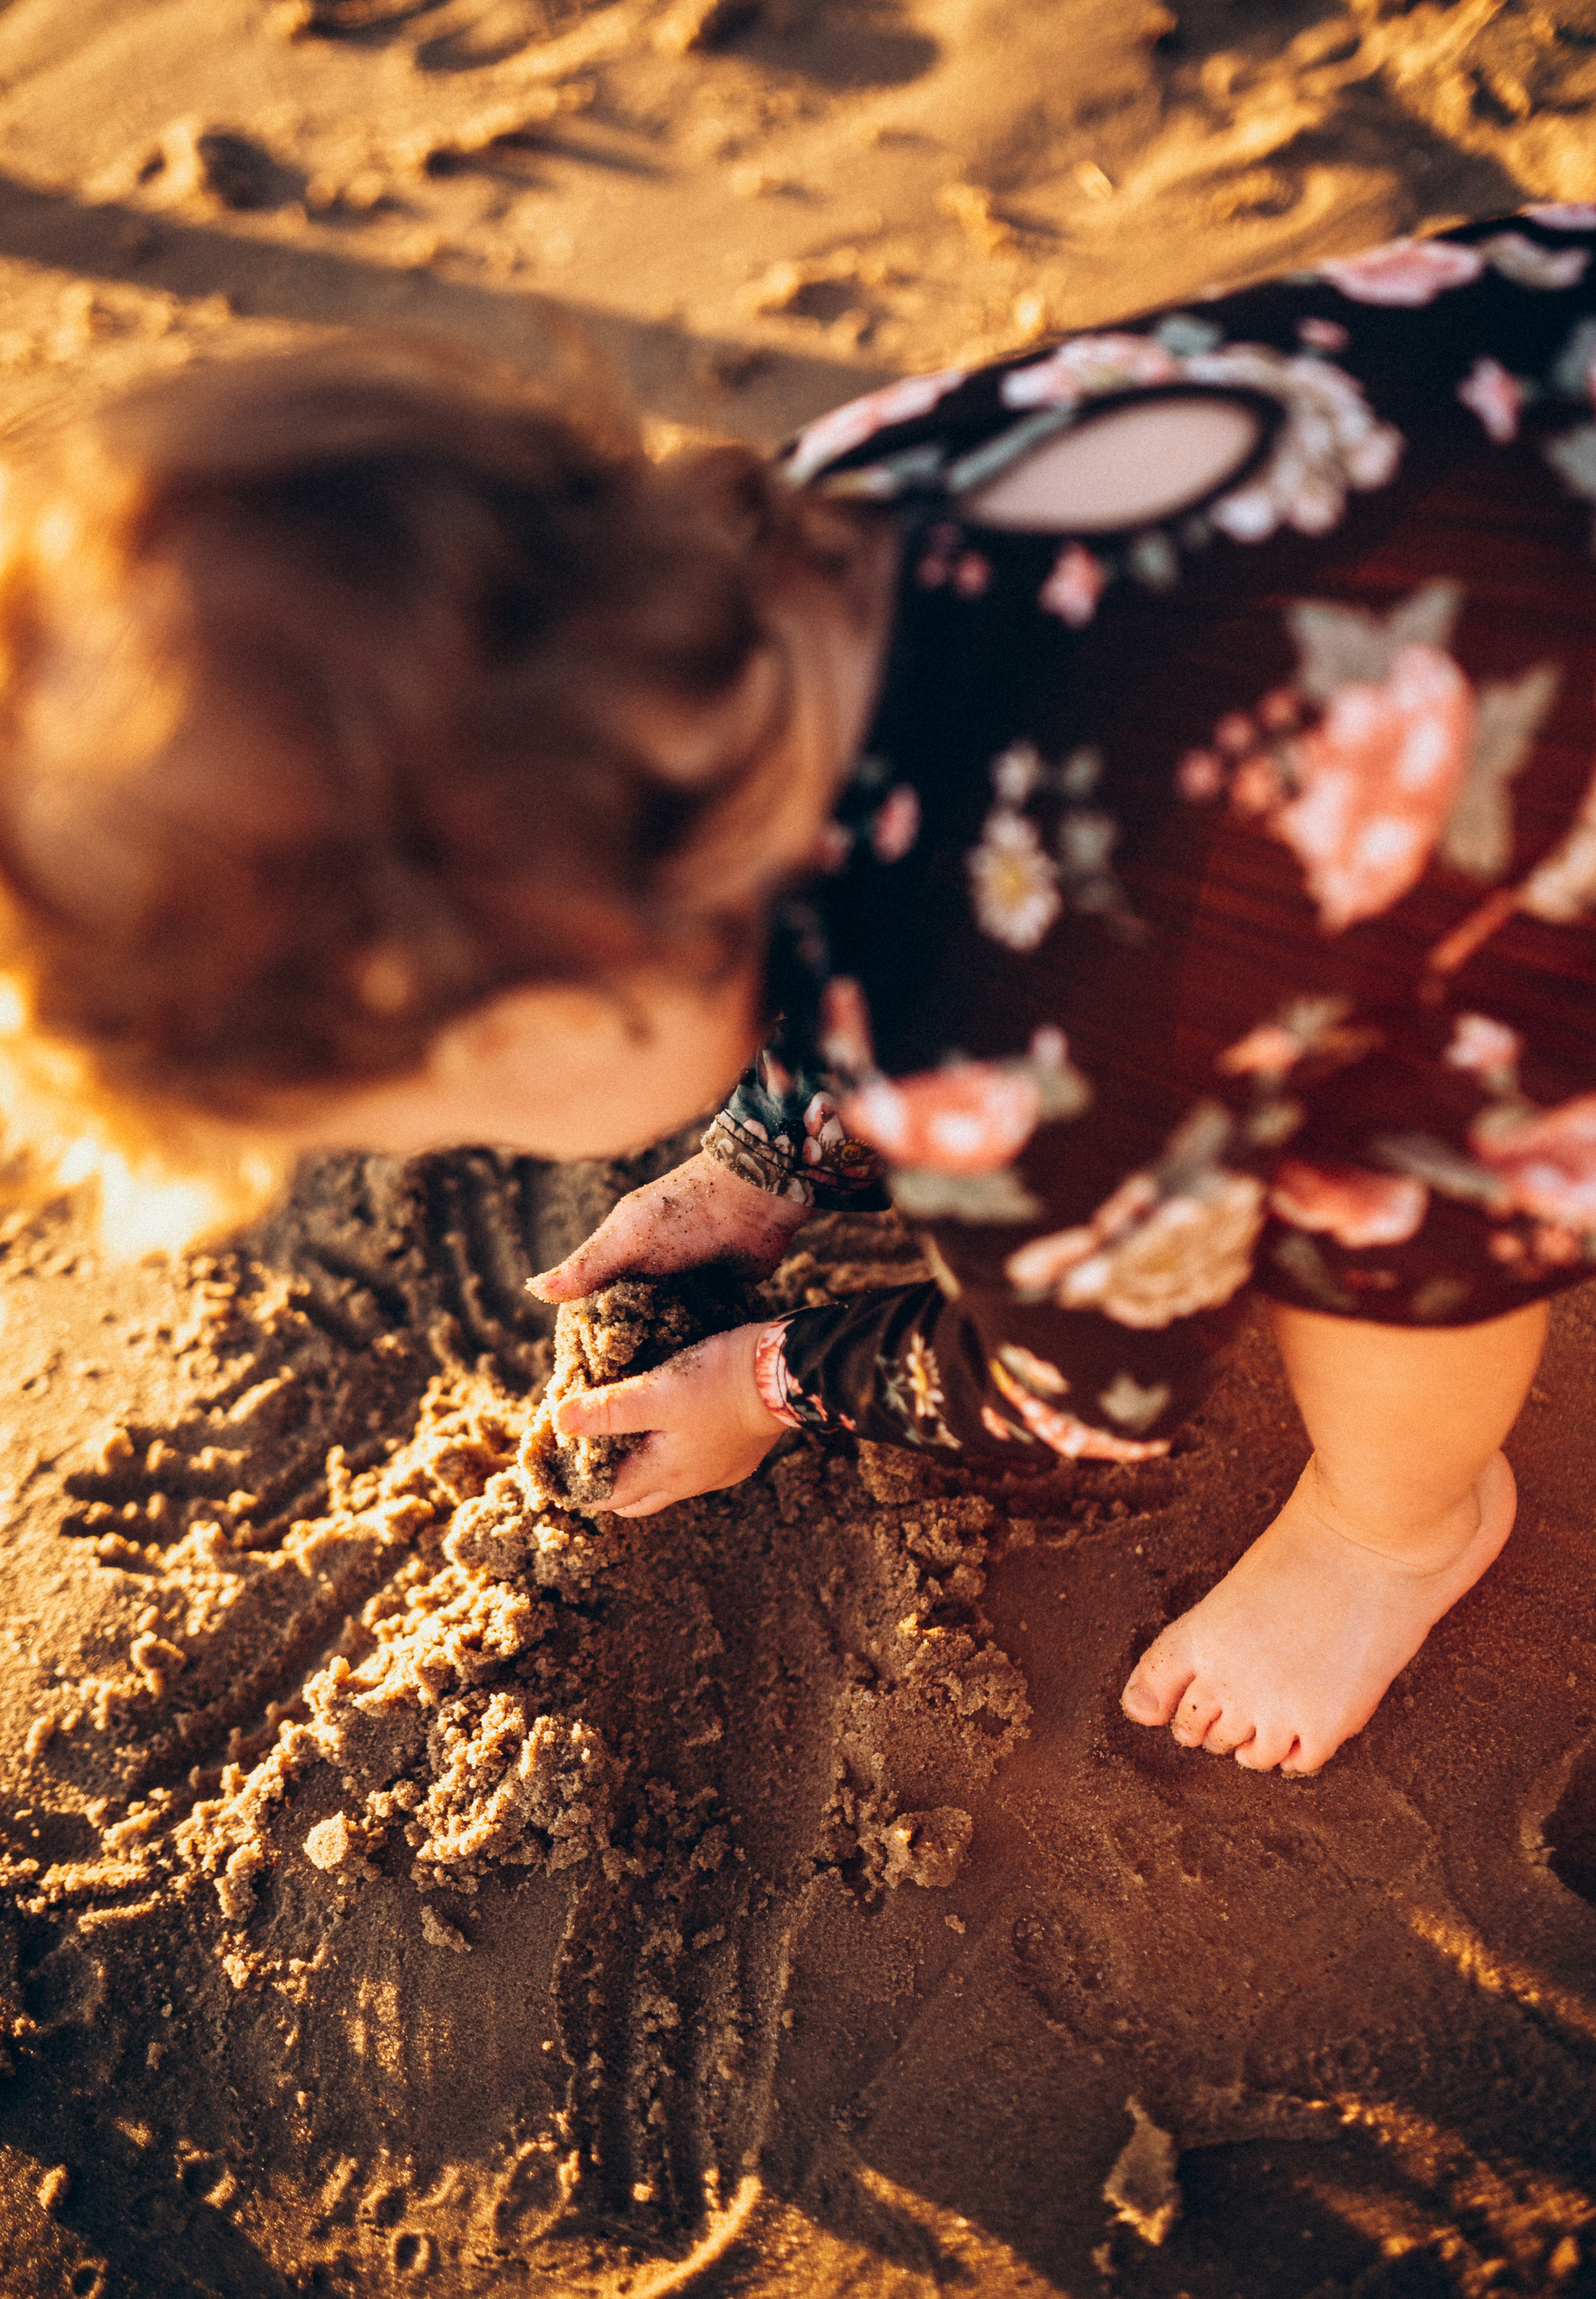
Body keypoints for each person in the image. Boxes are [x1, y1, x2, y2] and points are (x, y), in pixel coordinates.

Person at [4, 210, 1595, 1780]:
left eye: (443, 1110)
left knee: (1379, 1208)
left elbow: (1095, 1383)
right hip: (1528, 374)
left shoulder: (995, 1027)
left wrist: (771, 1381)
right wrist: (770, 1152)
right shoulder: (835, 503)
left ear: (553, 1016)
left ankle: (1397, 1528)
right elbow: (853, 843)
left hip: (1530, 842)